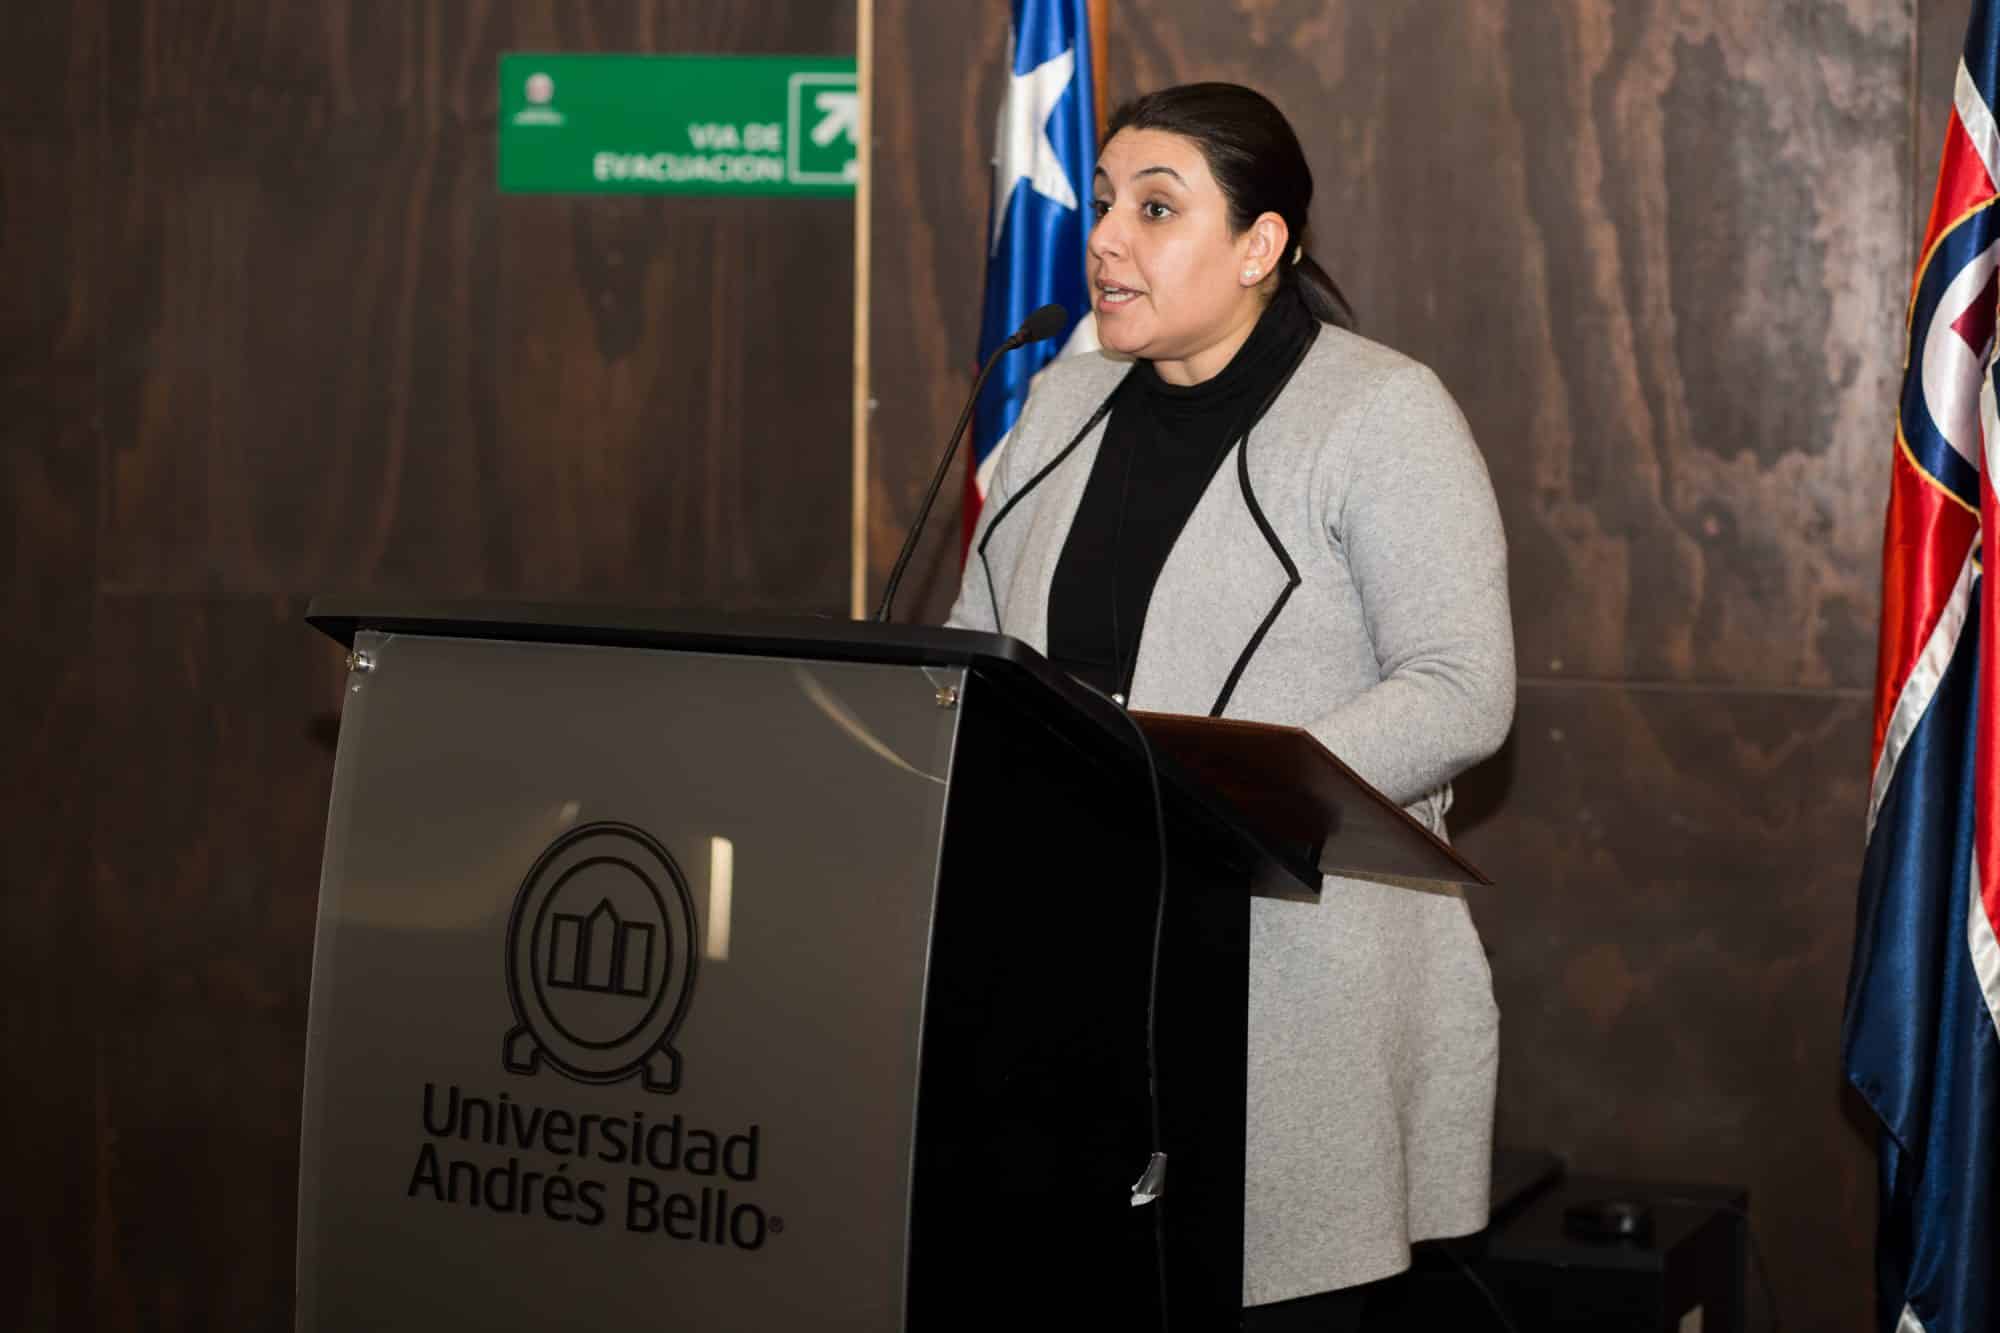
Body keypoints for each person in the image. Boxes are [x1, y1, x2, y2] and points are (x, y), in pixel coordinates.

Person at [945, 83, 1515, 1331]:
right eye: (1103, 202)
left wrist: (1210, 792)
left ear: (1260, 246)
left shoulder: (1377, 413)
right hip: (1062, 966)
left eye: (1155, 209)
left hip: (1290, 976)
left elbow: (1460, 690)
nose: (1104, 237)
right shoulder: (1059, 402)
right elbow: (973, 661)